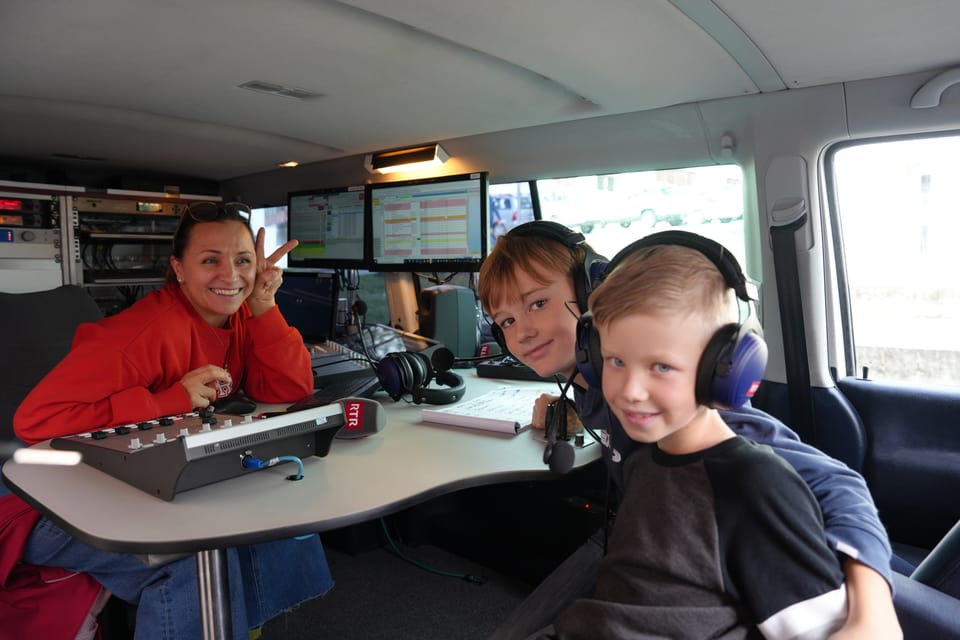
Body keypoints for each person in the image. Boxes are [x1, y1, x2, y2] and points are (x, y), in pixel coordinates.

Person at [477, 220, 901, 639]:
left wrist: (872, 611)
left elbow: (838, 484)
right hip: (640, 533)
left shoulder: (688, 411)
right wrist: (568, 406)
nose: (523, 332)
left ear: (591, 292)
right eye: (507, 321)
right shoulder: (597, 387)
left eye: (537, 304)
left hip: (690, 554)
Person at [1, 201, 331, 640]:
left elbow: (288, 390)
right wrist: (167, 400)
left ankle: (238, 626)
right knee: (192, 562)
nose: (230, 276)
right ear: (179, 268)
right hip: (39, 506)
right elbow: (35, 421)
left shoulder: (244, 314)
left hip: (129, 480)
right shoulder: (140, 333)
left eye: (243, 260)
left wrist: (266, 306)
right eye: (210, 260)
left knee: (272, 519)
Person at [547, 234, 848, 638]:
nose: (630, 390)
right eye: (616, 361)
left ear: (725, 370)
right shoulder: (645, 460)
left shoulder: (754, 484)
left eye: (662, 367)